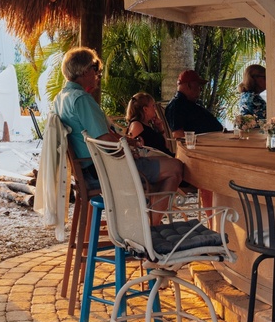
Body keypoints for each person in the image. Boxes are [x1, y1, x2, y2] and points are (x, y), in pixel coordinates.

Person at [53, 47, 182, 207]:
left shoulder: (60, 98)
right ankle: (151, 225)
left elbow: (102, 134)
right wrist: (128, 153)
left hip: (87, 171)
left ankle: (145, 217)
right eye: (96, 70)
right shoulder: (81, 99)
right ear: (85, 70)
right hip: (103, 172)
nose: (97, 75)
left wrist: (129, 144)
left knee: (163, 166)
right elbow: (104, 140)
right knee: (175, 167)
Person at [164, 69, 224, 137]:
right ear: (189, 85)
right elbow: (178, 135)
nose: (201, 89)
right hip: (203, 145)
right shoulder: (176, 106)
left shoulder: (187, 103)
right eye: (198, 86)